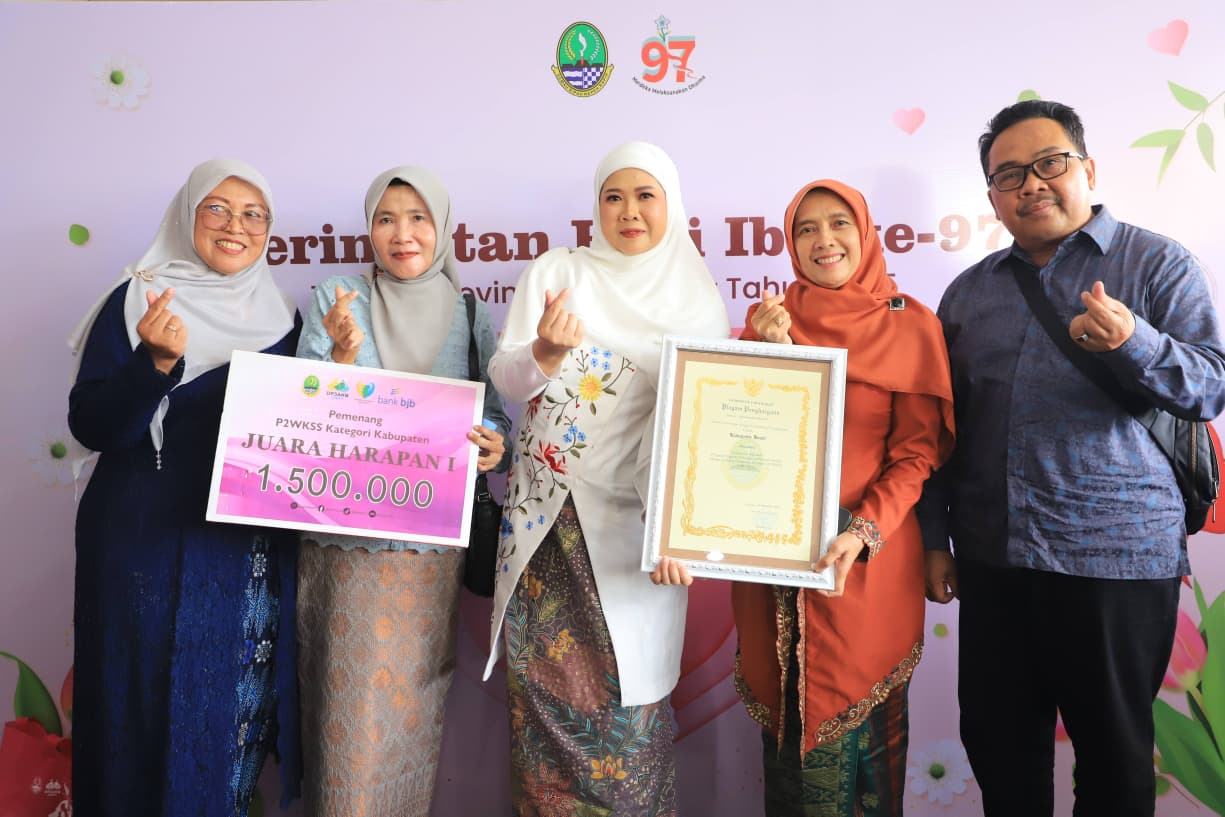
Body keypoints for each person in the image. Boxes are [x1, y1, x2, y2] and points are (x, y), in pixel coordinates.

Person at [917, 99, 1225, 817]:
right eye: (1009, 175)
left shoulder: (1156, 263)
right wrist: (934, 538)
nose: (1030, 184)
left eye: (1048, 163)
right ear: (992, 197)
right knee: (1001, 756)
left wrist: (1132, 342)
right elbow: (938, 430)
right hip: (995, 561)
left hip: (1117, 560)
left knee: (1114, 763)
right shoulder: (968, 294)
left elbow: (1210, 387)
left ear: (1086, 169)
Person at [659, 179, 956, 815]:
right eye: (806, 228)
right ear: (791, 244)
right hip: (775, 567)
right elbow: (738, 442)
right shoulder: (772, 323)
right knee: (789, 758)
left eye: (839, 223)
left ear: (865, 231)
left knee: (869, 759)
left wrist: (862, 532)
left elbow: (915, 456)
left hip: (867, 567)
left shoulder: (909, 325)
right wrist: (768, 354)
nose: (825, 240)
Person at [482, 141, 730, 816]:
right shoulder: (558, 272)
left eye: (645, 196)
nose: (628, 211)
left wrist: (679, 529)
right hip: (546, 533)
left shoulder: (696, 297)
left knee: (628, 720)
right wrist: (544, 351)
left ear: (671, 205)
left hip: (636, 537)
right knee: (542, 722)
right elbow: (508, 379)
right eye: (612, 197)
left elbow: (701, 428)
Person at [68, 158, 301, 817]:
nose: (236, 226)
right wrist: (155, 363)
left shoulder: (283, 316)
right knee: (135, 711)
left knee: (228, 719)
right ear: (185, 216)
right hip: (141, 543)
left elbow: (307, 432)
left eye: (254, 214)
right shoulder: (139, 300)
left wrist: (339, 364)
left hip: (242, 552)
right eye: (216, 209)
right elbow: (91, 425)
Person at [293, 166, 509, 817]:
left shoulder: (469, 312)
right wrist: (337, 357)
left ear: (442, 228)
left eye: (418, 218)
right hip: (343, 550)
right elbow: (296, 414)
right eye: (385, 219)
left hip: (427, 556)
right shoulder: (338, 297)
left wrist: (493, 444)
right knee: (343, 718)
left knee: (411, 710)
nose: (402, 233)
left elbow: (494, 414)